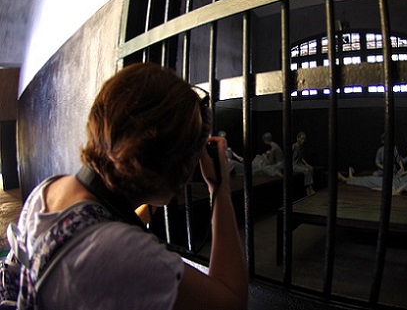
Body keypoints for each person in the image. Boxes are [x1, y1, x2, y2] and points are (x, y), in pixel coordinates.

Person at [9, 63, 248, 309]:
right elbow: (232, 302)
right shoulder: (125, 253)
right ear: (172, 164)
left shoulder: (51, 188)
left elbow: (99, 226)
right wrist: (220, 189)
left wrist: (150, 202)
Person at [292, 131, 315, 196]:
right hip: (293, 164)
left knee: (310, 168)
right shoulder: (293, 147)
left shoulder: (301, 147)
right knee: (306, 170)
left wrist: (306, 164)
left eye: (304, 139)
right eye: (302, 138)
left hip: (299, 163)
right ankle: (308, 189)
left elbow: (301, 158)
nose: (303, 140)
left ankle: (310, 187)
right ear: (297, 138)